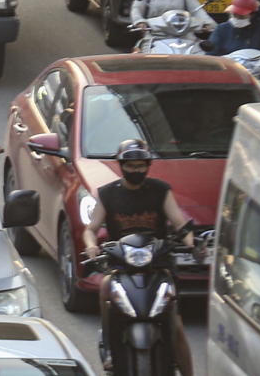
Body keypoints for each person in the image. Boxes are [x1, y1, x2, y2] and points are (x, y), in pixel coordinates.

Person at [82, 140, 197, 376]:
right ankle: (111, 346)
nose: (137, 170)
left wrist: (191, 243)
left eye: (141, 166)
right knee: (105, 288)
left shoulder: (161, 190)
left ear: (148, 165)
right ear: (121, 166)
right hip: (121, 264)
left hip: (159, 265)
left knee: (176, 326)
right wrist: (91, 246)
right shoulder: (108, 194)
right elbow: (90, 228)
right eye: (131, 166)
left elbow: (179, 224)